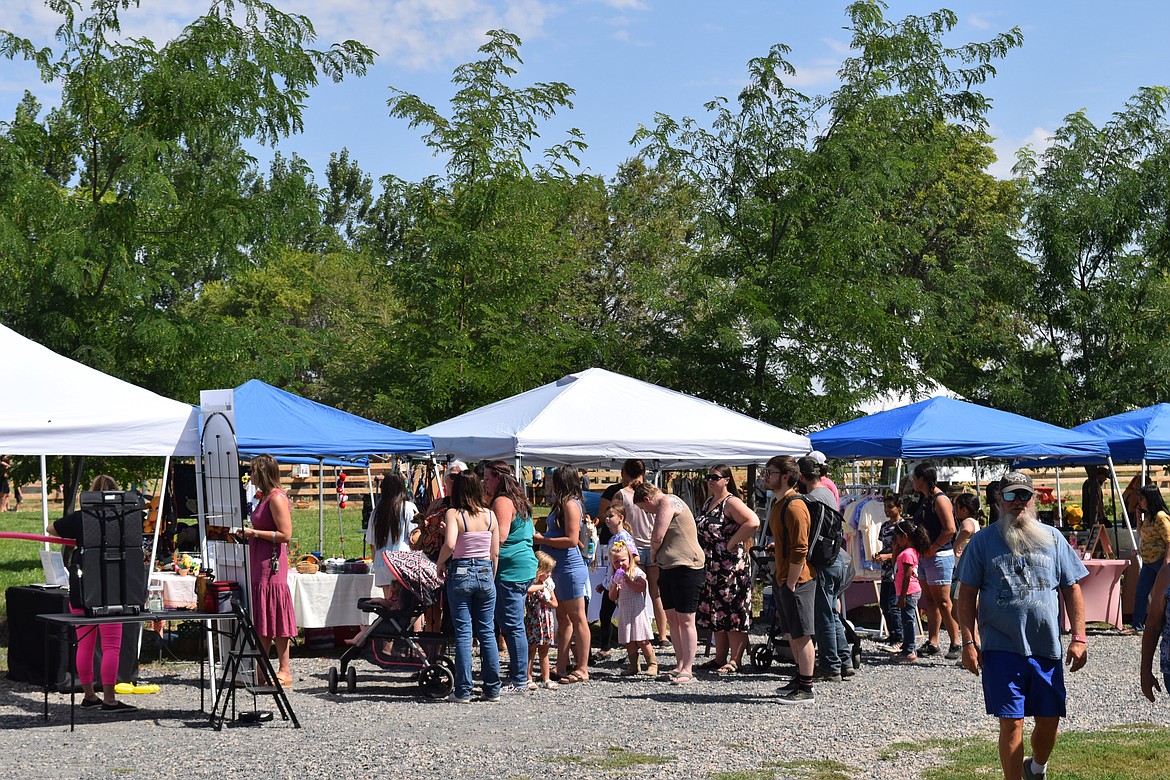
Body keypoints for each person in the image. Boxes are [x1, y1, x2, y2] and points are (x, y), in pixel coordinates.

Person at [956, 471, 1089, 780]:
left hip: (1046, 647)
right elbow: (966, 594)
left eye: (1024, 496)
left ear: (1033, 500)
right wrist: (967, 641)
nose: (1018, 502)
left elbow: (1072, 588)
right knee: (1011, 722)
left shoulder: (1053, 538)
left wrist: (1079, 636)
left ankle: (1037, 767)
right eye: (1011, 495)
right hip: (1001, 647)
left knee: (1049, 720)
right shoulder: (983, 542)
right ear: (999, 500)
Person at [48, 475, 136, 713]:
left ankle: (89, 695)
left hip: (83, 585)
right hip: (113, 586)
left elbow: (50, 528)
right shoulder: (125, 517)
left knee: (85, 642)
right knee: (110, 645)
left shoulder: (82, 517)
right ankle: (109, 699)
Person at [436, 470, 501, 703]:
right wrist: (490, 576)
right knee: (487, 632)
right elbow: (495, 552)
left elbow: (450, 544)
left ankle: (463, 690)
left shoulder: (454, 513)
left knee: (464, 633)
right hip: (485, 571)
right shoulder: (491, 515)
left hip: (461, 571)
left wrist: (440, 563)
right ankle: (492, 689)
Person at [633, 481, 705, 685]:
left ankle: (688, 669)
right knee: (672, 618)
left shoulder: (668, 501)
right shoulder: (664, 503)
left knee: (686, 619)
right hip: (669, 567)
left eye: (643, 508)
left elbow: (657, 535)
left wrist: (653, 554)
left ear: (647, 499)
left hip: (687, 566)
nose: (646, 513)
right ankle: (679, 664)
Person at [694, 464, 759, 674]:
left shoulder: (731, 502)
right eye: (709, 476)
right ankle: (719, 657)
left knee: (733, 612)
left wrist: (732, 543)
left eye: (716, 477)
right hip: (713, 566)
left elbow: (753, 522)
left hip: (731, 567)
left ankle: (735, 659)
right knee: (717, 611)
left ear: (727, 480)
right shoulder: (709, 502)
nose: (711, 480)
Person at [239, 454, 297, 687]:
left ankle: (285, 670)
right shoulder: (263, 498)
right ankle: (260, 670)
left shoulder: (276, 498)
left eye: (253, 472)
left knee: (277, 616)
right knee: (262, 618)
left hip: (272, 567)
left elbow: (286, 535)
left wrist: (254, 534)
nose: (250, 476)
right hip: (259, 564)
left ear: (262, 473)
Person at [765, 455, 818, 705]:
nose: (766, 476)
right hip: (784, 577)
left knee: (802, 633)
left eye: (771, 472)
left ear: (785, 476)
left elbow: (800, 548)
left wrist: (791, 582)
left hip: (797, 579)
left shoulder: (795, 506)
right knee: (792, 633)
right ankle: (799, 678)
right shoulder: (779, 503)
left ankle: (806, 688)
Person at [532, 464, 591, 684]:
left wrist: (542, 540)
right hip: (559, 568)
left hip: (570, 568)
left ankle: (583, 668)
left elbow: (571, 540)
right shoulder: (562, 504)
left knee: (578, 618)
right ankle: (562, 664)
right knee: (563, 618)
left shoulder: (570, 504)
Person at [483, 460, 537, 694]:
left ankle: (519, 679)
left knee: (512, 626)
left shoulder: (503, 501)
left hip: (510, 570)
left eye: (487, 478)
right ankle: (520, 675)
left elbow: (500, 537)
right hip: (522, 566)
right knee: (513, 624)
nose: (484, 482)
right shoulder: (519, 499)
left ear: (498, 478)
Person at [798, 455, 853, 681]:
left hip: (823, 562)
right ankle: (845, 660)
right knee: (832, 611)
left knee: (824, 616)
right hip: (838, 558)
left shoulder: (810, 499)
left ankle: (830, 666)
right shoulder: (828, 492)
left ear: (801, 476)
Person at [613, 459, 669, 647]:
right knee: (657, 593)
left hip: (633, 549)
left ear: (625, 473)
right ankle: (662, 635)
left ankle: (640, 635)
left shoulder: (621, 494)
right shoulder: (654, 493)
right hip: (653, 545)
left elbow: (613, 516)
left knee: (638, 595)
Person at [911, 461, 961, 660]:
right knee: (930, 601)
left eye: (914, 478)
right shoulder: (926, 498)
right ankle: (933, 641)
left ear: (922, 479)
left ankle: (956, 642)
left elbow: (950, 529)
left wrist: (933, 547)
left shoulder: (940, 499)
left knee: (943, 601)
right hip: (926, 556)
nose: (912, 482)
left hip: (939, 556)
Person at [608, 540, 657, 676]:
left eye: (623, 560)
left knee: (642, 639)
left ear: (629, 558)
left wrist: (629, 581)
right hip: (625, 611)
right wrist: (614, 587)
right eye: (616, 562)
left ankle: (652, 664)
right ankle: (633, 665)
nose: (620, 564)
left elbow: (642, 587)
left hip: (637, 611)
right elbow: (612, 597)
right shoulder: (615, 577)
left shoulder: (636, 572)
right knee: (629, 640)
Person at [595, 503, 637, 659]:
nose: (607, 519)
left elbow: (634, 557)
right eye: (606, 516)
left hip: (622, 583)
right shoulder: (613, 538)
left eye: (611, 516)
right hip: (612, 583)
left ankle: (631, 650)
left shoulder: (625, 537)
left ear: (621, 518)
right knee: (605, 615)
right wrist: (605, 583)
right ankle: (606, 648)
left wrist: (624, 575)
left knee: (624, 616)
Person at [366, 473, 418, 594]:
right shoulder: (409, 508)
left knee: (389, 603)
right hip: (402, 562)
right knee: (404, 606)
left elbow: (372, 543)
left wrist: (376, 562)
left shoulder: (376, 512)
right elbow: (415, 538)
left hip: (382, 562)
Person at [1132, 485, 1170, 633]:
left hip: (1160, 561)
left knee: (1162, 595)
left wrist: (1166, 561)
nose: (1139, 501)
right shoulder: (1149, 516)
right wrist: (1138, 519)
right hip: (1148, 561)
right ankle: (1138, 626)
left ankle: (1164, 624)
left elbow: (1169, 540)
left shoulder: (1161, 517)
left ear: (1150, 499)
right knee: (1141, 592)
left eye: (1142, 498)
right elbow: (1142, 534)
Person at [892, 520, 929, 662]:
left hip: (908, 591)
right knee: (907, 619)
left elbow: (907, 575)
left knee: (908, 621)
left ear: (905, 536)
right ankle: (907, 647)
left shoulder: (907, 554)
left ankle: (909, 650)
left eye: (897, 537)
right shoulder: (911, 552)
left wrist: (902, 596)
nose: (896, 541)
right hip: (908, 591)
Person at [525, 551, 558, 690]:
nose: (549, 575)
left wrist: (547, 601)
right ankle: (528, 677)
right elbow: (528, 591)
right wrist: (541, 588)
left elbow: (555, 603)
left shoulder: (548, 584)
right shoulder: (532, 583)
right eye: (547, 571)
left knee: (544, 650)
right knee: (531, 650)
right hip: (533, 620)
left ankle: (546, 678)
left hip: (546, 620)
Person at [873, 494, 903, 648]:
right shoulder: (885, 526)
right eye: (885, 507)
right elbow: (884, 547)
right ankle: (892, 634)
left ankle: (899, 637)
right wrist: (879, 555)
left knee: (893, 604)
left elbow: (906, 550)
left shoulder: (904, 527)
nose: (887, 510)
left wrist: (887, 556)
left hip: (898, 571)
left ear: (900, 507)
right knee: (884, 604)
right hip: (885, 571)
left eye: (890, 507)